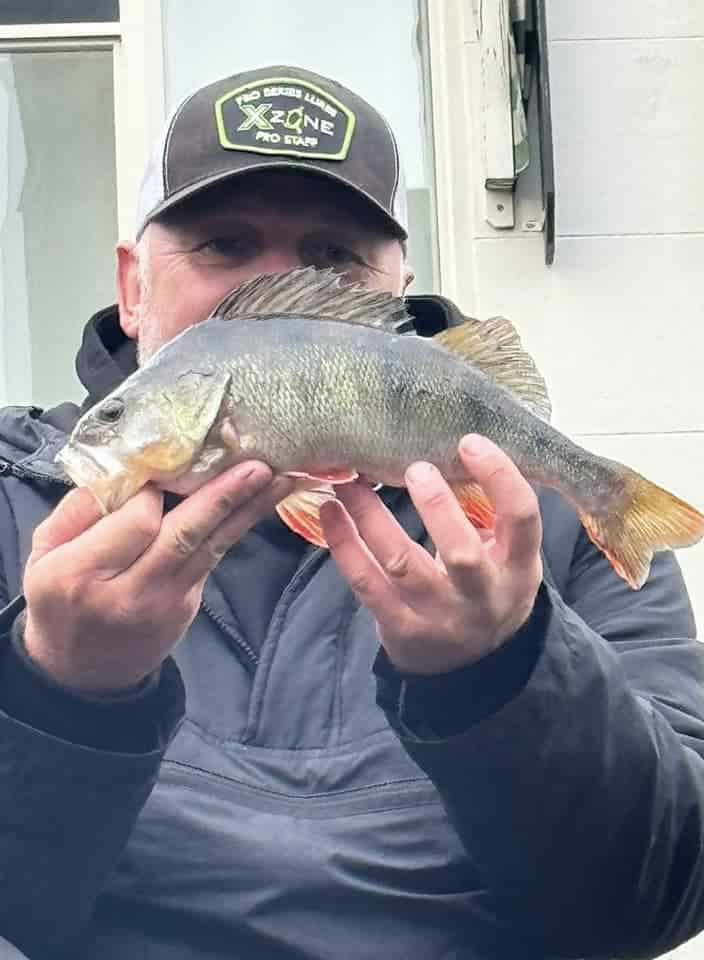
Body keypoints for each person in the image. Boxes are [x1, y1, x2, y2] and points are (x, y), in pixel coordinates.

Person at [0, 63, 702, 960]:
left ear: (398, 283)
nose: (280, 293)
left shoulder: (542, 532)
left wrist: (504, 676)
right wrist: (61, 691)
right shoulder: (14, 499)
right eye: (221, 244)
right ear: (133, 286)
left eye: (334, 258)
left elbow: (660, 896)